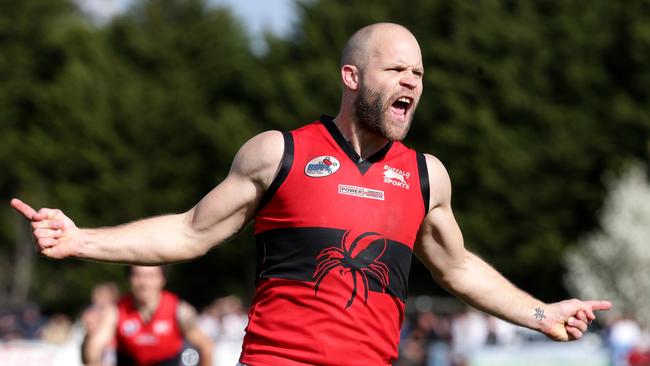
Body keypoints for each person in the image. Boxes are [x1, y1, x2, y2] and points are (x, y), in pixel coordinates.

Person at [11, 22, 611, 365]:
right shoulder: (280, 152)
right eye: (396, 69)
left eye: (419, 74)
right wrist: (80, 239)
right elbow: (191, 231)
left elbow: (458, 269)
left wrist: (541, 313)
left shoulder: (428, 176)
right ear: (352, 78)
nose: (412, 81)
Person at [81, 266, 213, 366]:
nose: (144, 283)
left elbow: (206, 346)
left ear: (162, 279)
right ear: (129, 279)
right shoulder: (116, 311)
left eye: (151, 276)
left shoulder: (179, 310)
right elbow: (93, 350)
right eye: (137, 276)